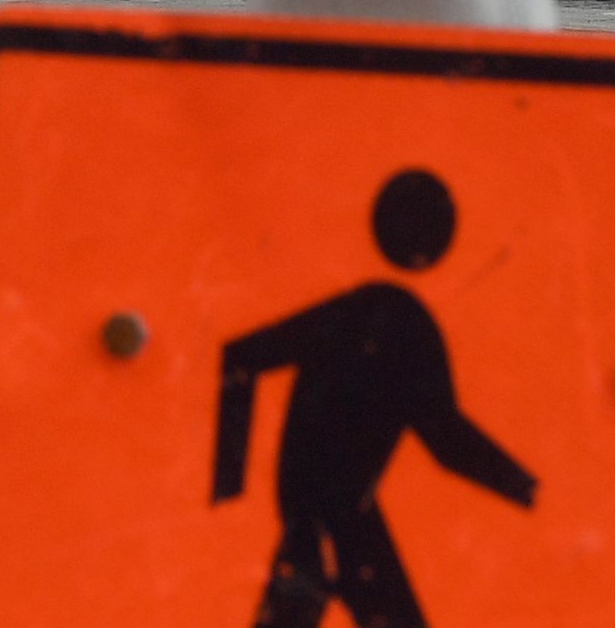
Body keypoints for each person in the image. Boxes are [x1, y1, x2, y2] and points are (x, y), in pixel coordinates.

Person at [210, 168, 536, 625]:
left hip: (325, 515)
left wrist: (230, 486)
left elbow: (242, 359)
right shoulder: (404, 321)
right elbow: (446, 438)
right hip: (328, 519)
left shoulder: (368, 309)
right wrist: (528, 490)